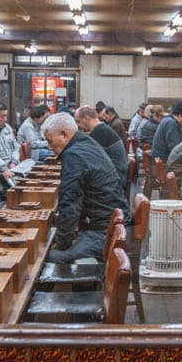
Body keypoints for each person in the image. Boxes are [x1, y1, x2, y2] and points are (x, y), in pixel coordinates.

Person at [42, 113, 130, 263]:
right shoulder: (86, 142)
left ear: (64, 134)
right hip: (111, 222)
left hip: (104, 232)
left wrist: (62, 243)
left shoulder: (74, 156)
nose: (49, 147)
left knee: (46, 258)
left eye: (50, 142)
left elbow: (70, 204)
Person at [75, 105, 128, 185]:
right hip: (116, 176)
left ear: (86, 118)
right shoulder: (101, 129)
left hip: (115, 181)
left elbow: (85, 158)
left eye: (78, 121)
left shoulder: (100, 132)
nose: (77, 125)